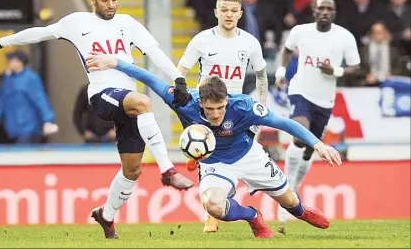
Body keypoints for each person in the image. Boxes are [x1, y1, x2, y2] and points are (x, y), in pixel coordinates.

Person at [0, 0, 194, 238]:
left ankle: (106, 216)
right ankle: (168, 170)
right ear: (93, 0)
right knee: (144, 101)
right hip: (102, 94)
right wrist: (1, 42)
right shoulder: (77, 23)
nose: (111, 4)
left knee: (132, 170)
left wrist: (178, 79)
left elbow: (155, 51)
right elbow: (40, 32)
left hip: (128, 101)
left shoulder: (127, 24)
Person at [85, 53, 342, 239]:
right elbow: (151, 79)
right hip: (213, 163)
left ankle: (302, 210)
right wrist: (116, 63)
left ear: (227, 100)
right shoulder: (185, 102)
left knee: (290, 204)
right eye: (210, 109)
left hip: (248, 156)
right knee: (214, 206)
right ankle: (252, 217)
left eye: (220, 108)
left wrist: (319, 145)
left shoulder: (243, 106)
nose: (216, 114)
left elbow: (284, 123)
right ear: (200, 104)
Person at [177, 0, 269, 232]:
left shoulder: (249, 42)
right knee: (205, 154)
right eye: (224, 10)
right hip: (206, 108)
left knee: (231, 156)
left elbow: (261, 76)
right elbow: (182, 69)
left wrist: (262, 106)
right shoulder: (201, 40)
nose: (229, 15)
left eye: (233, 11)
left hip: (236, 110)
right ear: (216, 13)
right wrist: (181, 91)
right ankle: (211, 214)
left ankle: (216, 209)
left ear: (240, 13)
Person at [274, 0, 361, 222]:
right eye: (320, 8)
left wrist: (337, 71)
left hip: (325, 100)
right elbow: (287, 49)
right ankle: (287, 194)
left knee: (309, 150)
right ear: (313, 10)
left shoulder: (344, 36)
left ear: (334, 12)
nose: (324, 11)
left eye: (329, 8)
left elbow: (356, 66)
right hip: (300, 91)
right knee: (300, 135)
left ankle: (292, 188)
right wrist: (281, 73)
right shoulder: (300, 31)